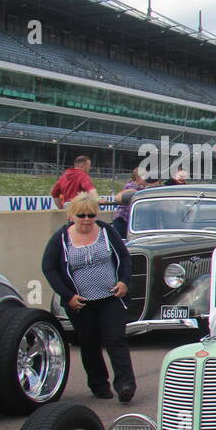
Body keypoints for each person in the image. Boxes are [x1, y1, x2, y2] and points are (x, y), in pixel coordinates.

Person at [41, 192, 135, 402]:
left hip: (110, 297)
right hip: (81, 303)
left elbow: (125, 258)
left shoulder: (107, 231)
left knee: (115, 340)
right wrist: (67, 295)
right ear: (72, 215)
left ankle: (125, 384)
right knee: (89, 343)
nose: (86, 219)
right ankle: (99, 385)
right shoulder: (60, 239)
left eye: (90, 215)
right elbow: (49, 268)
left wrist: (123, 282)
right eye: (81, 215)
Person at [111, 169, 146, 239]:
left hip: (129, 220)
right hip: (122, 219)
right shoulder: (131, 186)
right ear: (138, 177)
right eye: (144, 176)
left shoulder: (142, 188)